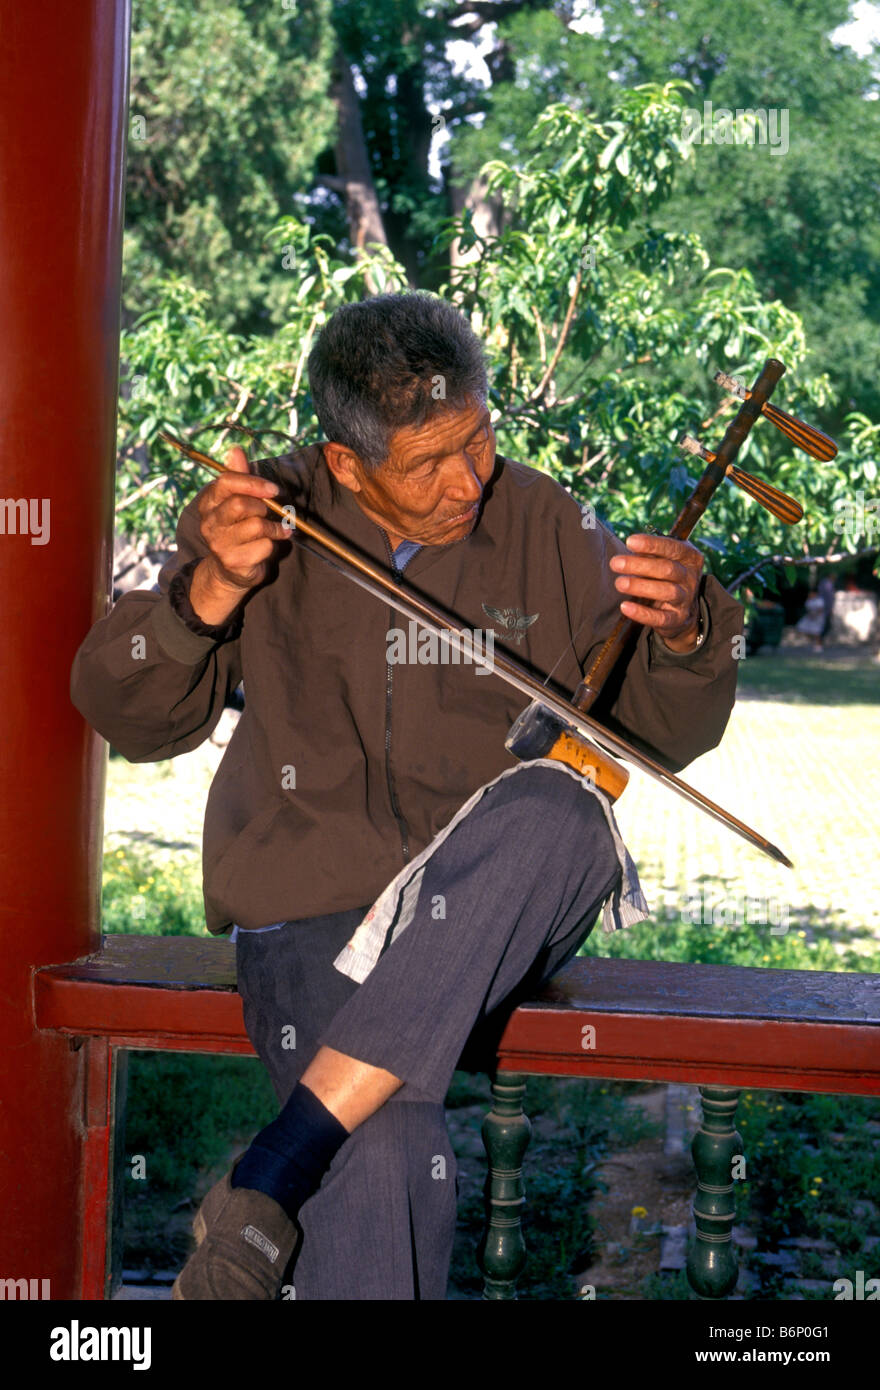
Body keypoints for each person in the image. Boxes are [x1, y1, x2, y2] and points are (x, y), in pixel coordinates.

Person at [70, 292, 744, 1300]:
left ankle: (269, 1170)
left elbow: (665, 729)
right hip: (310, 915)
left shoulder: (544, 520)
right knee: (381, 1146)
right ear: (347, 462)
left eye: (477, 439)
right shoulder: (268, 514)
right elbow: (127, 712)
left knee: (566, 813)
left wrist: (688, 632)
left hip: (488, 912)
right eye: (427, 464)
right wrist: (206, 592)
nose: (469, 480)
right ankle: (292, 1167)